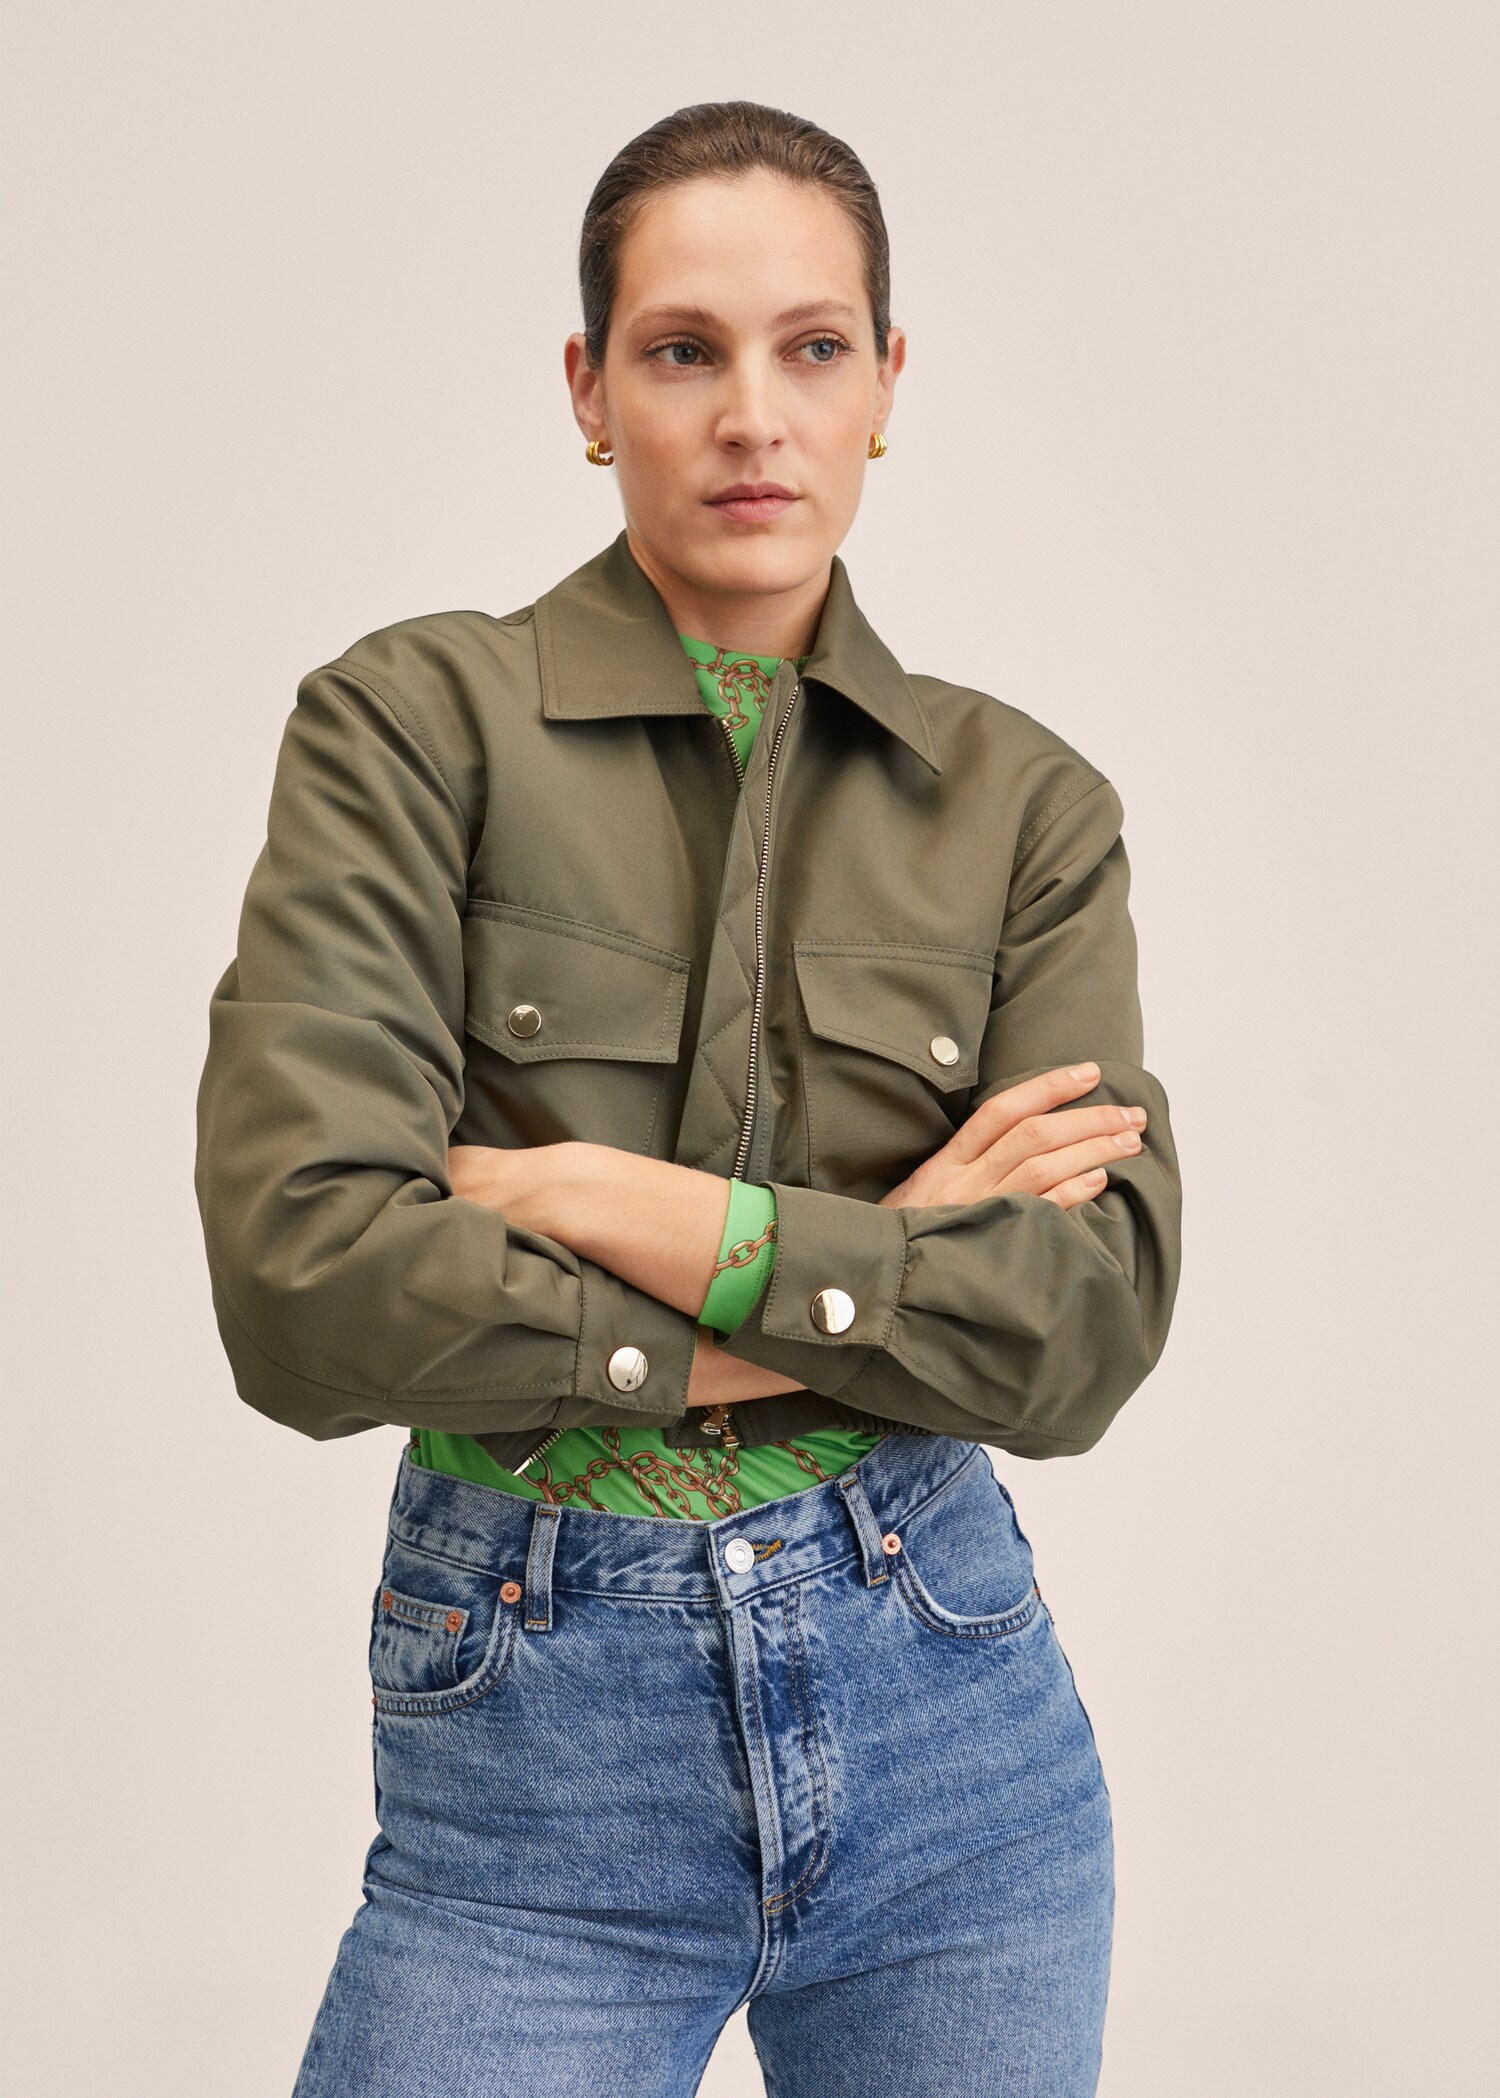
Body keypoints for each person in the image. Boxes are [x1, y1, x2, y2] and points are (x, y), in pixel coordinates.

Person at [194, 98, 1182, 2098]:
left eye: (813, 347)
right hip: (536, 1742)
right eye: (681, 349)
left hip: (954, 1723)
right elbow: (304, 1290)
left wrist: (594, 1194)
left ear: (887, 384)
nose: (753, 416)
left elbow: (1081, 1334)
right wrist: (890, 1262)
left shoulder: (1026, 809)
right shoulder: (412, 729)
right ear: (588, 389)